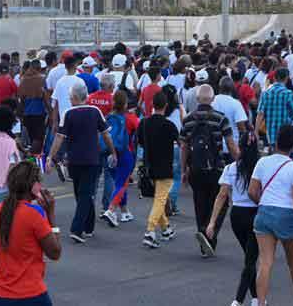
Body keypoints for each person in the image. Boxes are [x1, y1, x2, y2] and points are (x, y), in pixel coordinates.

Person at [249, 124, 293, 306]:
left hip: (264, 213)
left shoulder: (262, 162)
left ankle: (260, 302)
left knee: (265, 262)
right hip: (287, 215)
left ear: (276, 141)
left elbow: (252, 191)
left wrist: (262, 203)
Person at [0, 160, 62, 306]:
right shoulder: (34, 215)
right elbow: (55, 252)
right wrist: (51, 214)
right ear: (33, 186)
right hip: (30, 294)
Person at [46, 81, 116, 243]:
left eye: (71, 97)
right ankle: (87, 226)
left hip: (74, 160)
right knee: (85, 193)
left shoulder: (68, 114)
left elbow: (59, 137)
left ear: (76, 97)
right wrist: (112, 151)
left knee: (82, 193)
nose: (70, 99)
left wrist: (51, 156)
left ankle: (77, 228)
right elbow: (106, 134)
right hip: (92, 159)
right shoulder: (95, 111)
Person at [180, 83, 239, 257]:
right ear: (212, 99)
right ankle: (209, 232)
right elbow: (230, 144)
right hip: (216, 167)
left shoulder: (188, 119)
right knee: (220, 202)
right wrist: (240, 162)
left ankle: (203, 233)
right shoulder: (220, 118)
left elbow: (184, 146)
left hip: (196, 168)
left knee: (200, 203)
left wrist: (184, 169)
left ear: (197, 99)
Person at [207, 130, 260, 306]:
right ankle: (238, 301)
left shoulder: (231, 167)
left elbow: (222, 195)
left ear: (241, 147)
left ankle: (256, 298)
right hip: (255, 214)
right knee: (251, 260)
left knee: (249, 257)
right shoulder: (261, 167)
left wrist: (212, 222)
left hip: (236, 215)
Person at [140, 90, 179, 248]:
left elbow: (141, 142)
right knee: (160, 199)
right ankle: (150, 230)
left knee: (159, 198)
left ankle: (166, 228)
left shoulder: (144, 123)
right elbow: (179, 141)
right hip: (165, 166)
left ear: (152, 105)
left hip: (150, 165)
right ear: (166, 106)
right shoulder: (169, 125)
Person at [100, 90, 139, 226]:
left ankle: (124, 211)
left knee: (119, 182)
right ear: (125, 104)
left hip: (108, 153)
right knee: (122, 183)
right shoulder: (129, 118)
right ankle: (111, 210)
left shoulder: (107, 117)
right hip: (124, 152)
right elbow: (138, 130)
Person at [256, 68, 293, 149]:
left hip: (270, 135)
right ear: (286, 78)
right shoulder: (289, 94)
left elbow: (260, 114)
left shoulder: (266, 93)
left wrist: (256, 131)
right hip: (286, 135)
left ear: (274, 78)